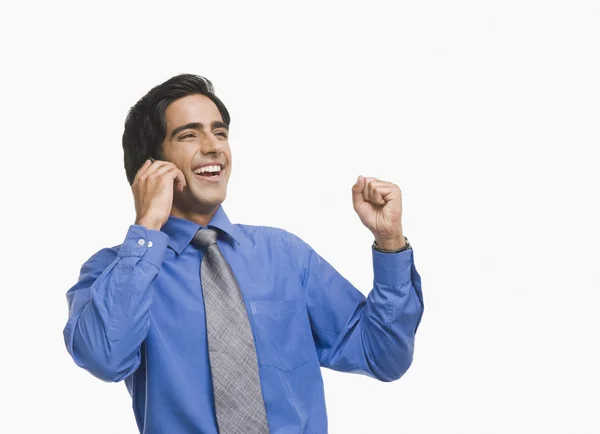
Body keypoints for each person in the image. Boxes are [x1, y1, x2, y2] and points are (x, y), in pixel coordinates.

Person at [62, 73, 425, 434]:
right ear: (151, 167)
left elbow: (384, 356)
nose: (213, 146)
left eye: (219, 132)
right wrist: (147, 225)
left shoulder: (283, 254)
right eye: (189, 134)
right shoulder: (115, 270)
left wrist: (389, 241)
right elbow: (105, 358)